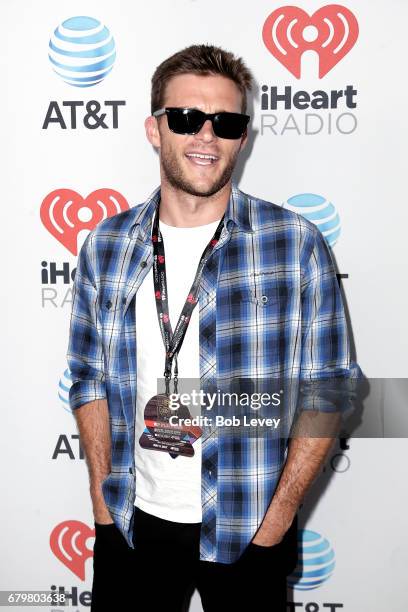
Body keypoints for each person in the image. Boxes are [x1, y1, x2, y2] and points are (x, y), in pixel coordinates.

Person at [67, 44, 357, 612]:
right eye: (186, 119)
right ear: (155, 129)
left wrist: (274, 522)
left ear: (241, 138)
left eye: (225, 122)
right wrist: (104, 510)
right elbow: (88, 379)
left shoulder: (294, 243)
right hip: (132, 523)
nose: (206, 136)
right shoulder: (107, 245)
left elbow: (331, 389)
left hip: (249, 528)